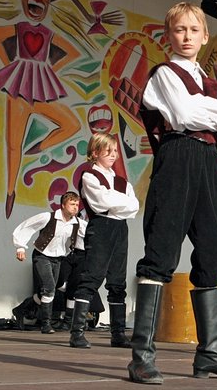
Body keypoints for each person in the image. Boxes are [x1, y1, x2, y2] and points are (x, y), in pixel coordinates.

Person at [127, 2, 217, 384]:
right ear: (168, 35)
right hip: (178, 153)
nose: (186, 36)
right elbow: (182, 117)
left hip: (208, 161)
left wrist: (210, 107)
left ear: (204, 36)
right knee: (161, 251)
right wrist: (213, 109)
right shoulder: (164, 73)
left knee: (214, 257)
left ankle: (212, 354)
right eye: (179, 30)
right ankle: (141, 357)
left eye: (193, 30)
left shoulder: (213, 81)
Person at [69, 133, 139, 349]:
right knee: (91, 278)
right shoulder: (89, 176)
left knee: (118, 282)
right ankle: (76, 333)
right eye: (107, 150)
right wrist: (119, 203)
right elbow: (100, 204)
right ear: (95, 152)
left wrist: (115, 202)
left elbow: (134, 206)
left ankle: (117, 334)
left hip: (120, 229)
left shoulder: (122, 181)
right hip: (100, 227)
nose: (113, 155)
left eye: (115, 151)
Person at [12, 191, 86, 334]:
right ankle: (45, 324)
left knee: (54, 287)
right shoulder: (48, 217)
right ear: (63, 205)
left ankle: (22, 309)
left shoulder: (78, 223)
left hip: (58, 259)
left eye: (77, 204)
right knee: (49, 288)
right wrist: (20, 246)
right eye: (72, 204)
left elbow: (92, 235)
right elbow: (27, 227)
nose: (75, 207)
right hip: (42, 256)